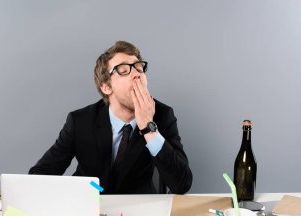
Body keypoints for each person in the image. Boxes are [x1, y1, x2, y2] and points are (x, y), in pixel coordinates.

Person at [29, 41, 192, 194]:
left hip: (137, 211)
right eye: (123, 70)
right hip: (88, 206)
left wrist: (148, 128)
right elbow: (39, 176)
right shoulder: (80, 121)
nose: (136, 74)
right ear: (106, 87)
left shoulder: (162, 115)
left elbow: (182, 184)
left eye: (139, 68)